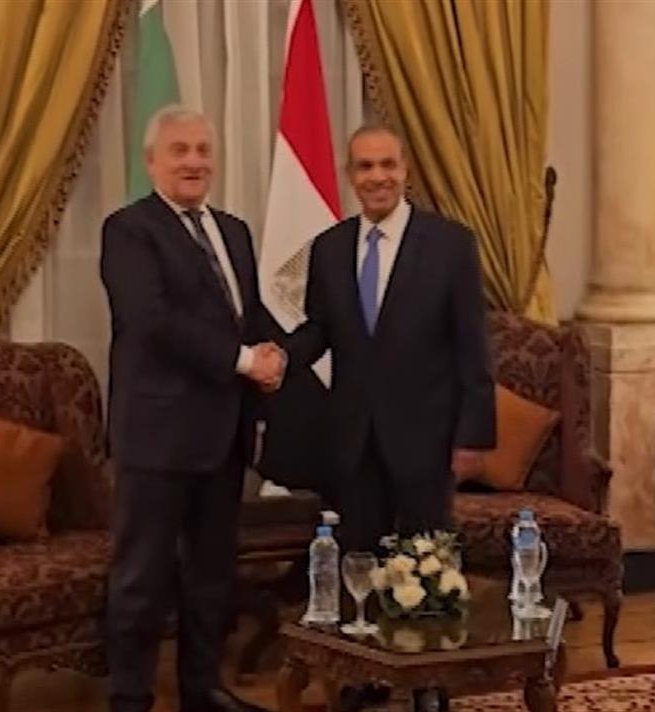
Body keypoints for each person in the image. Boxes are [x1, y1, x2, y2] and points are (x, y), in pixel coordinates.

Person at [100, 106, 281, 712]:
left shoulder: (234, 231)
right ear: (151, 161)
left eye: (203, 150)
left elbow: (244, 317)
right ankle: (131, 698)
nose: (194, 162)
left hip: (222, 436)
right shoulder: (128, 231)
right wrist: (244, 361)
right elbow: (152, 322)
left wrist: (274, 354)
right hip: (157, 437)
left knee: (211, 575)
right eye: (179, 151)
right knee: (141, 577)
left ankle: (203, 690)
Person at [285, 124, 496, 554]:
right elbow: (319, 329)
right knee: (359, 563)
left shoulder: (450, 245)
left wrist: (473, 437)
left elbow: (472, 347)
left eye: (387, 165)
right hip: (352, 441)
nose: (377, 177)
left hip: (426, 440)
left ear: (405, 170)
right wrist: (277, 358)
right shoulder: (328, 248)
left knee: (425, 568)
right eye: (365, 166)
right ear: (350, 175)